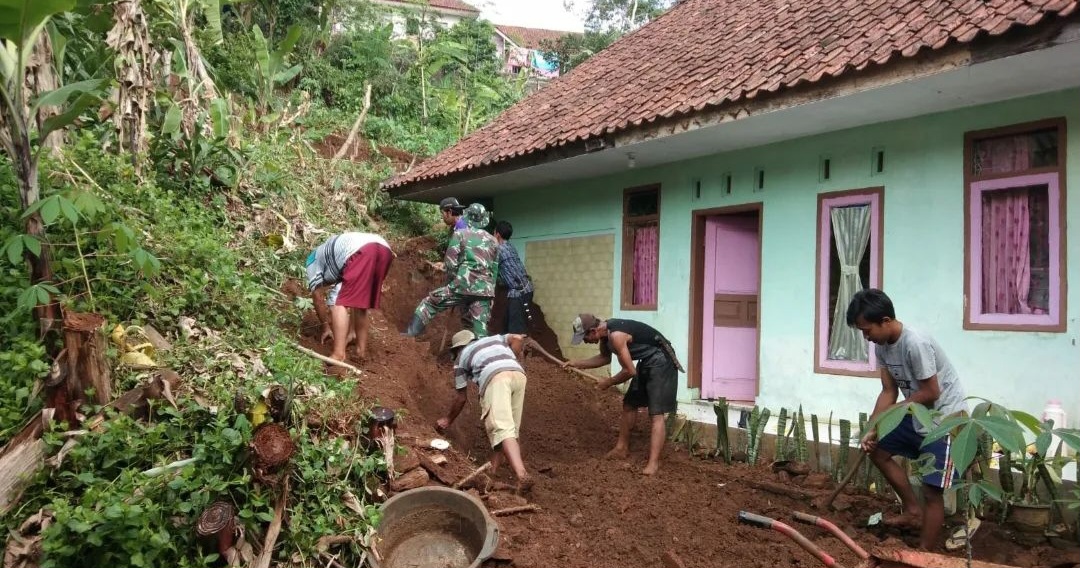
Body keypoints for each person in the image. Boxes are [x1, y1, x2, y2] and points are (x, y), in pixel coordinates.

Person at [847, 288, 968, 551]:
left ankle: (924, 551)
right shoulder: (883, 347)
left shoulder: (915, 343)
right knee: (878, 451)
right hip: (917, 413)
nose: (866, 337)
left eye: (867, 330)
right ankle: (913, 512)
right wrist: (873, 428)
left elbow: (931, 393)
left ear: (886, 321)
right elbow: (888, 391)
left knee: (932, 491)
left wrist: (891, 414)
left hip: (945, 419)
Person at [563, 314, 680, 475]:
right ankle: (621, 448)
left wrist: (609, 382)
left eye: (585, 337)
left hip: (662, 360)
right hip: (647, 360)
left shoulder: (616, 336)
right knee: (629, 405)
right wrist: (577, 363)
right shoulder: (605, 336)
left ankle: (653, 464)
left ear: (593, 330)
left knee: (656, 414)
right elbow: (604, 358)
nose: (585, 341)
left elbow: (629, 371)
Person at [436, 329, 533, 493]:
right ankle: (492, 472)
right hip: (518, 375)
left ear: (458, 348)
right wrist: (514, 359)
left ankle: (522, 475)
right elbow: (517, 338)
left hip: (496, 378)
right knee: (510, 430)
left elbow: (461, 398)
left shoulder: (460, 359)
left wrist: (447, 420)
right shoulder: (495, 339)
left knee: (502, 429)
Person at [404, 204, 499, 338]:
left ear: (467, 218)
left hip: (462, 285)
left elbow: (450, 264)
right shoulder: (494, 241)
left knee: (429, 303)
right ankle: (480, 350)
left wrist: (454, 282)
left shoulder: (460, 234)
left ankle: (409, 336)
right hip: (484, 291)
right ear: (483, 220)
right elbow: (494, 270)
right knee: (480, 332)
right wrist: (491, 294)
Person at [305, 232, 394, 367]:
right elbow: (356, 300)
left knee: (338, 303)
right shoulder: (332, 257)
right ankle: (360, 350)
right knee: (360, 304)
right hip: (384, 250)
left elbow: (317, 296)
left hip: (361, 251)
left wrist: (326, 327)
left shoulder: (311, 263)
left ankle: (338, 354)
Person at [493, 220, 534, 334]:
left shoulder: (499, 250)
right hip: (526, 288)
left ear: (497, 235)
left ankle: (518, 349)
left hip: (518, 292)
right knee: (508, 324)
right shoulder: (511, 246)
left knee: (516, 332)